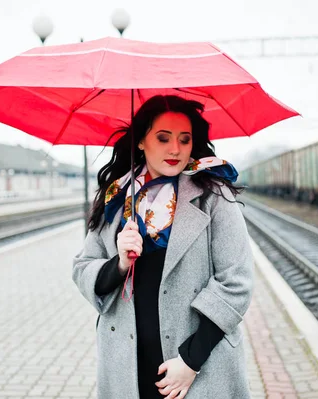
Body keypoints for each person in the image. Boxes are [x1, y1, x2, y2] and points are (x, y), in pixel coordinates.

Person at [72, 95, 254, 399]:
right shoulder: (117, 199)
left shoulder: (213, 196)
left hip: (199, 366)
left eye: (185, 139)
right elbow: (82, 268)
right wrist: (119, 264)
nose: (175, 149)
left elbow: (236, 283)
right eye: (163, 137)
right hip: (128, 368)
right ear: (141, 141)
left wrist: (190, 361)